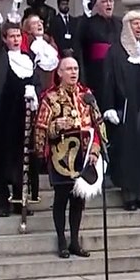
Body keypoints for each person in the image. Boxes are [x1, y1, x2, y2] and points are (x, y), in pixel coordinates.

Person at [0, 0, 43, 217]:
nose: (15, 39)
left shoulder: (28, 58)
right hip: (3, 118)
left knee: (23, 162)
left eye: (17, 36)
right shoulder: (0, 56)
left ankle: (21, 201)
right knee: (2, 163)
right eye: (11, 36)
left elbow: (36, 82)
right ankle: (3, 203)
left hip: (24, 119)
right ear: (5, 38)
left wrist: (34, 93)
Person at [34, 56, 104, 258]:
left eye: (76, 68)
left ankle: (74, 240)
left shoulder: (87, 96)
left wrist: (95, 150)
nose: (73, 72)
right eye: (69, 69)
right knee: (61, 199)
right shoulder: (51, 98)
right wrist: (56, 127)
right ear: (60, 73)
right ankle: (61, 241)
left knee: (78, 200)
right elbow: (41, 129)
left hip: (84, 156)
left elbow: (98, 126)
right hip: (62, 157)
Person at [102, 10, 140, 210]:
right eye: (135, 23)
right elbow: (108, 80)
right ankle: (129, 196)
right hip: (127, 109)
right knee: (128, 151)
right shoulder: (116, 52)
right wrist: (109, 107)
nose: (138, 27)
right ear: (127, 26)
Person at [72, 0, 118, 113]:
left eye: (111, 1)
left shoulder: (119, 23)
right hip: (97, 72)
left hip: (116, 70)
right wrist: (86, 15)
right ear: (97, 5)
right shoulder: (89, 22)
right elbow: (80, 40)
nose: (109, 4)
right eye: (104, 2)